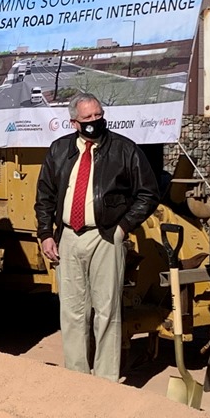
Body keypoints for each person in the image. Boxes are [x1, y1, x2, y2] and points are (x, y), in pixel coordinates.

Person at [35, 92, 160, 382]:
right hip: (68, 237)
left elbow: (148, 192)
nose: (94, 122)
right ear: (74, 123)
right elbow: (45, 196)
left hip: (105, 237)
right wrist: (45, 234)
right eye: (87, 118)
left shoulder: (124, 149)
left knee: (107, 311)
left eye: (98, 115)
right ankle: (77, 378)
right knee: (73, 311)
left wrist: (123, 227)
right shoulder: (59, 150)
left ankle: (105, 380)